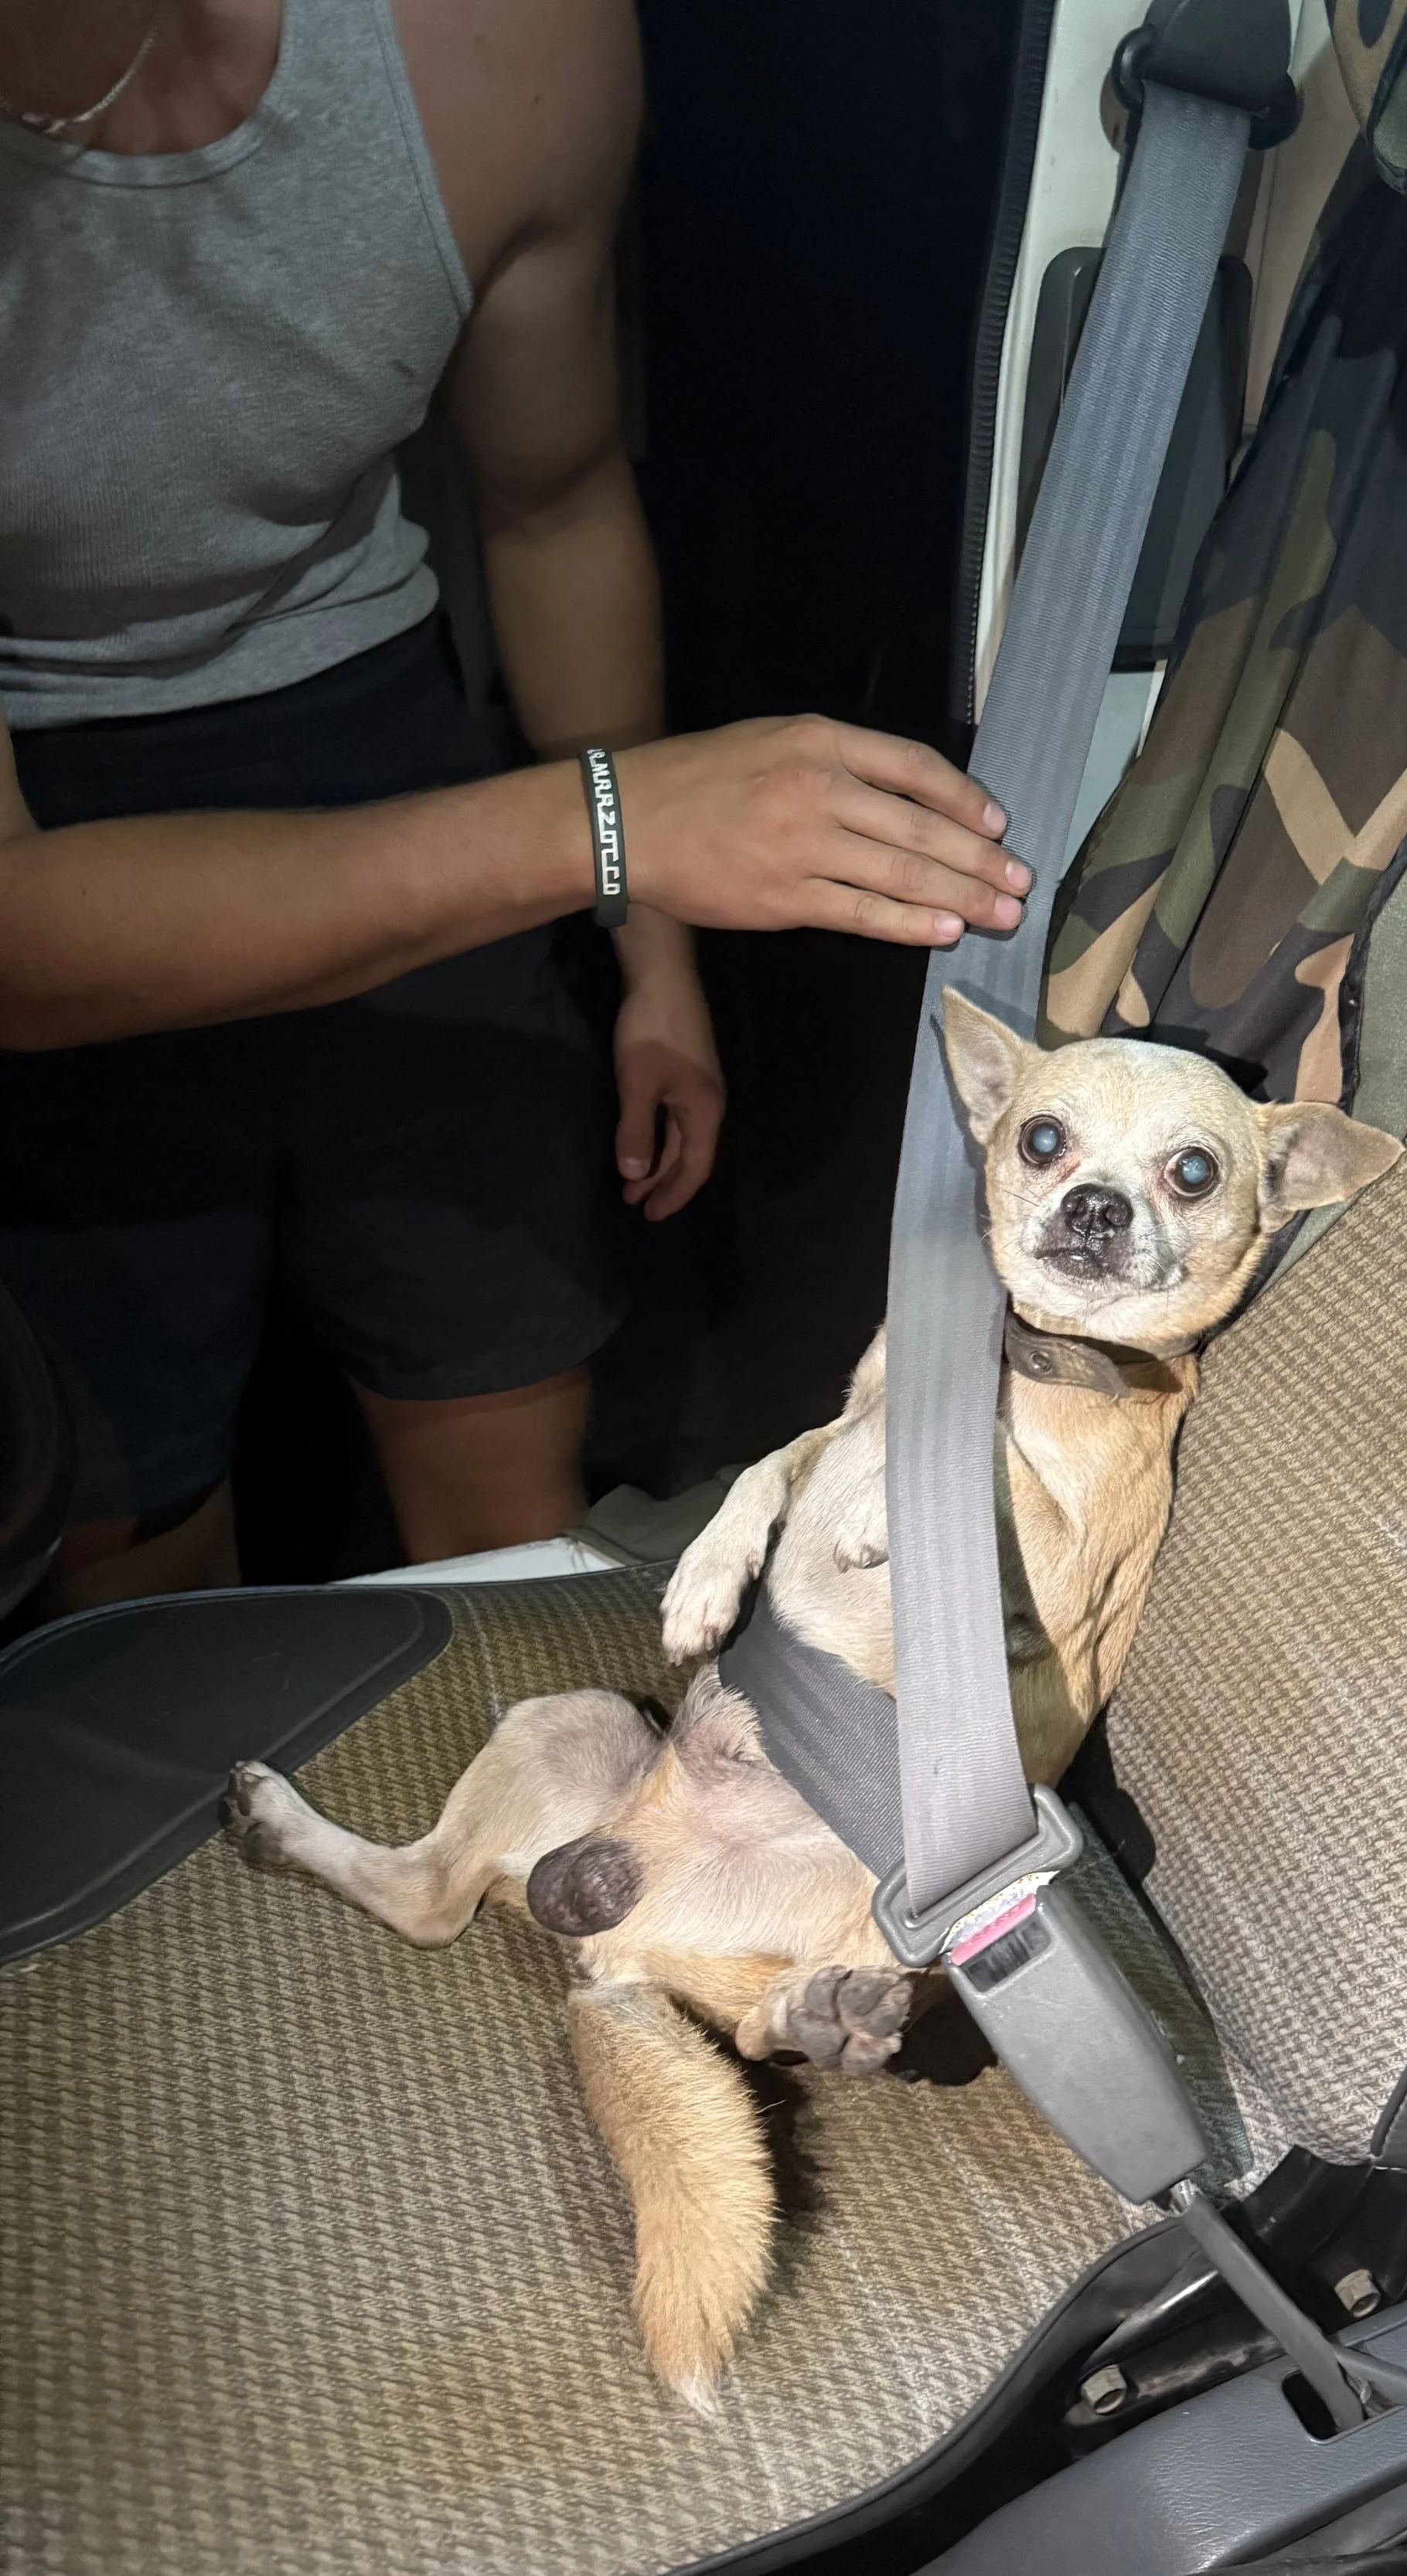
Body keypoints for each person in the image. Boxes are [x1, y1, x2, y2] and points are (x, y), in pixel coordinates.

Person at [0, 0, 1027, 1608]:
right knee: (118, 1539)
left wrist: (656, 961)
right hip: (52, 796)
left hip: (376, 720)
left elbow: (551, 505)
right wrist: (606, 828)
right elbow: (15, 948)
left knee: (502, 1471)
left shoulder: (497, 42)